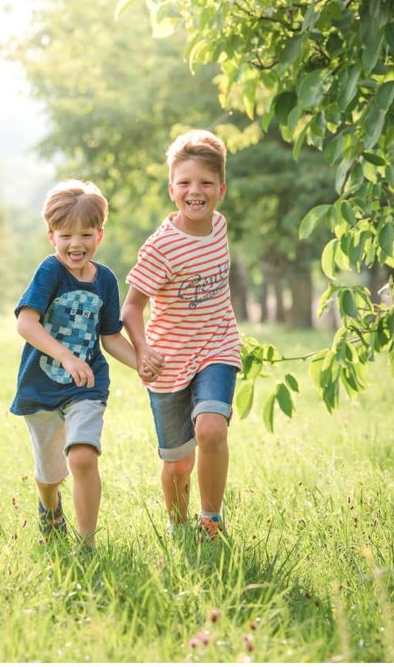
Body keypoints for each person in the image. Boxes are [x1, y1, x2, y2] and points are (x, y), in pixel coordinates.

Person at [122, 129, 242, 541]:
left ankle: (212, 521)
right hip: (169, 361)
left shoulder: (220, 227)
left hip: (218, 345)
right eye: (186, 182)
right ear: (171, 188)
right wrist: (143, 350)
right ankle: (178, 526)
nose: (196, 191)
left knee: (211, 429)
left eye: (206, 182)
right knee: (177, 463)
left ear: (221, 189)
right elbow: (131, 307)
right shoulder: (160, 248)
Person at [10, 179, 140, 548]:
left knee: (82, 456)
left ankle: (87, 545)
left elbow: (111, 336)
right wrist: (64, 355)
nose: (76, 244)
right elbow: (25, 322)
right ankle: (49, 505)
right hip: (42, 386)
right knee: (50, 474)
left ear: (100, 234)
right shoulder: (50, 272)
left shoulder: (106, 281)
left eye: (85, 234)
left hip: (87, 386)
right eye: (66, 235)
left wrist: (142, 365)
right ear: (52, 236)